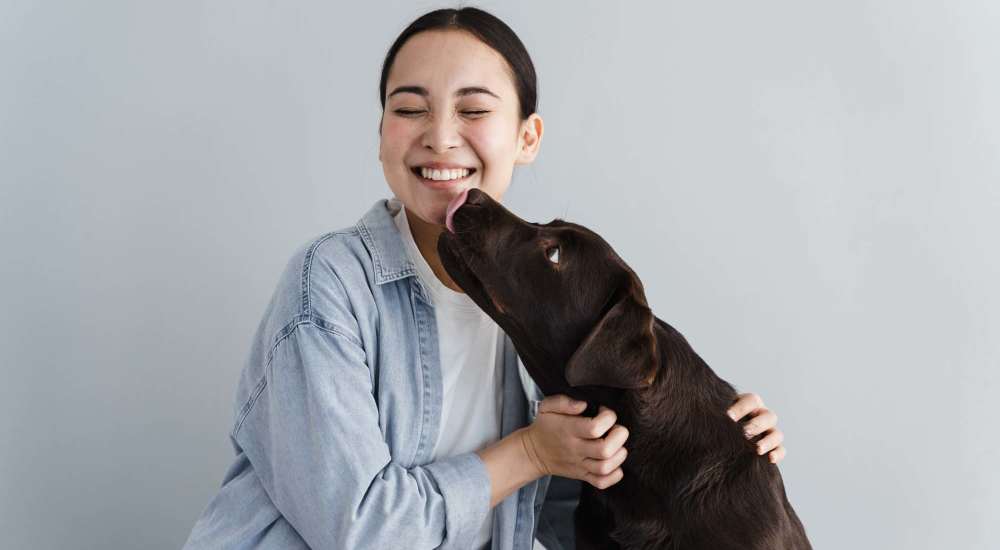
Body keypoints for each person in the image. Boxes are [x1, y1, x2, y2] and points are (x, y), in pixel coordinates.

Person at [183, 7, 787, 550]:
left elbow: (562, 518)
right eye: (409, 108)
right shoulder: (329, 285)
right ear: (380, 135)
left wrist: (716, 444)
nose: (440, 135)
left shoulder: (544, 315)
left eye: (472, 109)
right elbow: (361, 533)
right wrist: (529, 452)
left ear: (527, 137)